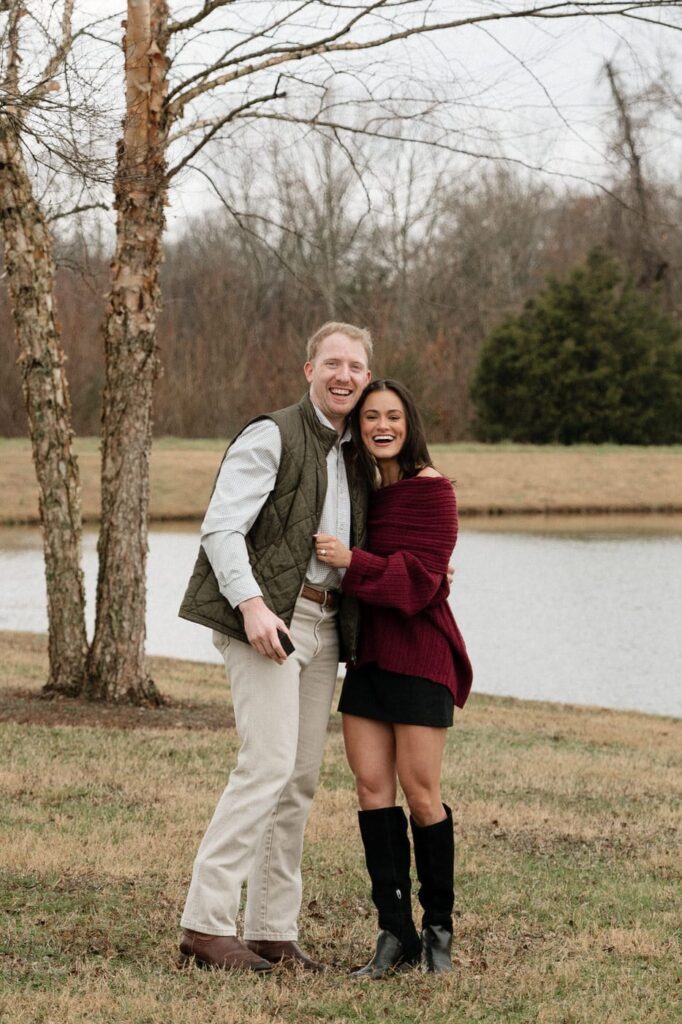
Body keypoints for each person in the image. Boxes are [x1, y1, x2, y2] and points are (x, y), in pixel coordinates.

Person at [177, 322, 372, 972]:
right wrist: (252, 606)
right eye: (334, 363)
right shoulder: (274, 434)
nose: (345, 375)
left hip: (324, 625)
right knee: (265, 765)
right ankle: (205, 926)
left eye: (356, 366)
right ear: (308, 368)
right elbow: (221, 527)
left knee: (299, 780)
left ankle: (271, 931)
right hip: (265, 621)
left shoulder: (354, 452)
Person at [314, 379, 473, 978]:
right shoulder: (359, 494)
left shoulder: (434, 493)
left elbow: (418, 581)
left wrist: (353, 562)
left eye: (394, 417)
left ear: (409, 425)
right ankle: (394, 932)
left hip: (422, 654)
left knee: (421, 792)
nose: (383, 426)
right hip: (371, 658)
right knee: (371, 790)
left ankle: (438, 933)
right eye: (371, 417)